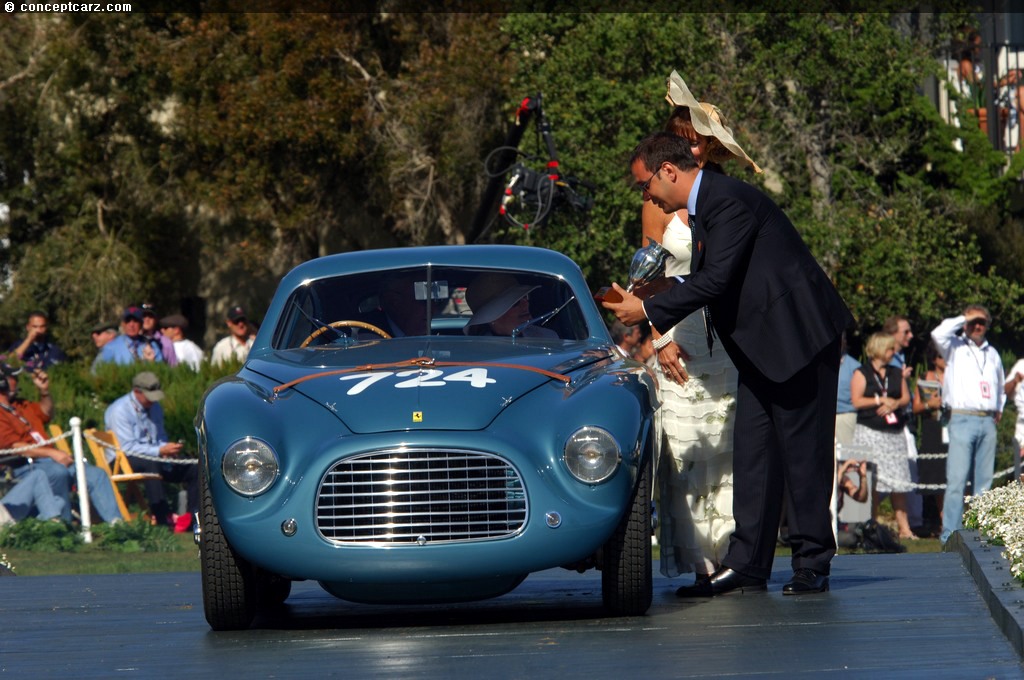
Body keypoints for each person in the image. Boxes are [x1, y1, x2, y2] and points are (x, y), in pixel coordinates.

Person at [604, 131, 854, 596]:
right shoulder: (706, 206)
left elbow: (717, 280)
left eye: (644, 185)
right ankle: (749, 564)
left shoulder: (726, 201)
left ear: (668, 171)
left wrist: (648, 313)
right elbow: (709, 277)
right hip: (762, 346)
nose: (645, 195)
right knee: (753, 454)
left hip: (798, 339)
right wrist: (654, 297)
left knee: (803, 455)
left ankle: (812, 561)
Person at [641, 73, 757, 597]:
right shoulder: (658, 200)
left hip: (727, 340)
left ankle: (737, 559)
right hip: (680, 332)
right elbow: (644, 276)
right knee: (686, 449)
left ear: (707, 146)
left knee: (732, 453)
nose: (687, 141)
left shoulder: (726, 199)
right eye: (680, 133)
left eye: (694, 136)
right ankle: (701, 567)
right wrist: (659, 338)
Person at [0, 363, 121, 524]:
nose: (17, 380)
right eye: (13, 377)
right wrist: (52, 453)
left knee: (97, 475)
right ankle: (63, 526)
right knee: (58, 472)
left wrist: (44, 391)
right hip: (25, 464)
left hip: (52, 459)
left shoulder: (21, 405)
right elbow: (14, 447)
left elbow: (46, 413)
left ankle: (118, 527)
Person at [931, 305, 1005, 544]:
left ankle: (981, 532)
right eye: (973, 322)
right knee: (957, 480)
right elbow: (937, 333)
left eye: (981, 322)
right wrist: (965, 317)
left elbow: (1000, 385)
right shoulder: (954, 347)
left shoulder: (992, 352)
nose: (977, 326)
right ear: (965, 323)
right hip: (962, 417)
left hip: (987, 419)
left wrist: (999, 408)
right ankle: (949, 535)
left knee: (984, 482)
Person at [104, 372, 199, 529]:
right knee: (151, 464)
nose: (152, 401)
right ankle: (162, 519)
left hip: (153, 456)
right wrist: (160, 451)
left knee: (193, 467)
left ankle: (194, 519)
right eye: (149, 396)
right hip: (121, 460)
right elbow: (126, 447)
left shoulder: (155, 408)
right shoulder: (119, 410)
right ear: (136, 391)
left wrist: (169, 450)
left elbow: (159, 437)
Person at [850, 332, 915, 540]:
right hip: (869, 432)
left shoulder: (896, 372)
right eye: (889, 349)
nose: (892, 353)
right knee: (872, 480)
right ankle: (872, 525)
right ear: (879, 349)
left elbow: (905, 397)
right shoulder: (861, 372)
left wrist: (894, 403)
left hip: (893, 434)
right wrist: (880, 401)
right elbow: (857, 401)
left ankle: (904, 527)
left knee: (898, 482)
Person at [882, 314, 923, 535]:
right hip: (887, 424)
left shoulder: (899, 357)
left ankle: (910, 523)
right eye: (905, 332)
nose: (910, 336)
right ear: (892, 334)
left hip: (902, 420)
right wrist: (900, 378)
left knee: (908, 469)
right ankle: (905, 524)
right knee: (894, 472)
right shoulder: (887, 359)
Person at [913, 340, 947, 537]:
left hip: (954, 428)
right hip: (933, 429)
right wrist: (930, 405)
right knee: (937, 475)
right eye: (942, 356)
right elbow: (915, 407)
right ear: (934, 359)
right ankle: (943, 519)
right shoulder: (925, 378)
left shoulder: (957, 376)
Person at [463, 273, 558, 338]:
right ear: (492, 318)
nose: (526, 303)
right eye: (515, 302)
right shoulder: (477, 351)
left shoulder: (546, 338)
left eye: (525, 297)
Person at [96, 306, 165, 365]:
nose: (131, 325)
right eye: (128, 321)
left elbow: (161, 370)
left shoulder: (152, 345)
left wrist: (152, 363)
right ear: (123, 324)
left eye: (135, 321)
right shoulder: (111, 347)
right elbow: (96, 373)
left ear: (141, 324)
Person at [0, 467, 66, 526]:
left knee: (58, 501)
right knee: (38, 475)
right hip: (5, 520)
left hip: (5, 511)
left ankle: (43, 526)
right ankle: (52, 523)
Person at [834, 459, 869, 548]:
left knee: (864, 528)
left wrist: (863, 477)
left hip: (837, 524)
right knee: (851, 538)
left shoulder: (842, 479)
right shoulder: (819, 480)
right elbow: (830, 493)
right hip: (821, 527)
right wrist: (842, 471)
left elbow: (861, 498)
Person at [835, 333, 861, 450]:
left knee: (847, 456)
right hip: (824, 418)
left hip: (845, 417)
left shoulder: (855, 367)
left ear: (844, 342)